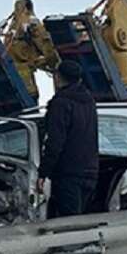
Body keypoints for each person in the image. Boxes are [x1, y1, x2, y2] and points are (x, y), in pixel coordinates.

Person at [39, 60, 99, 218]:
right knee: (79, 219)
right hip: (90, 171)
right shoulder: (89, 102)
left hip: (67, 173)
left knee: (68, 224)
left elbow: (54, 142)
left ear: (58, 78)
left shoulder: (60, 104)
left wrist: (43, 172)